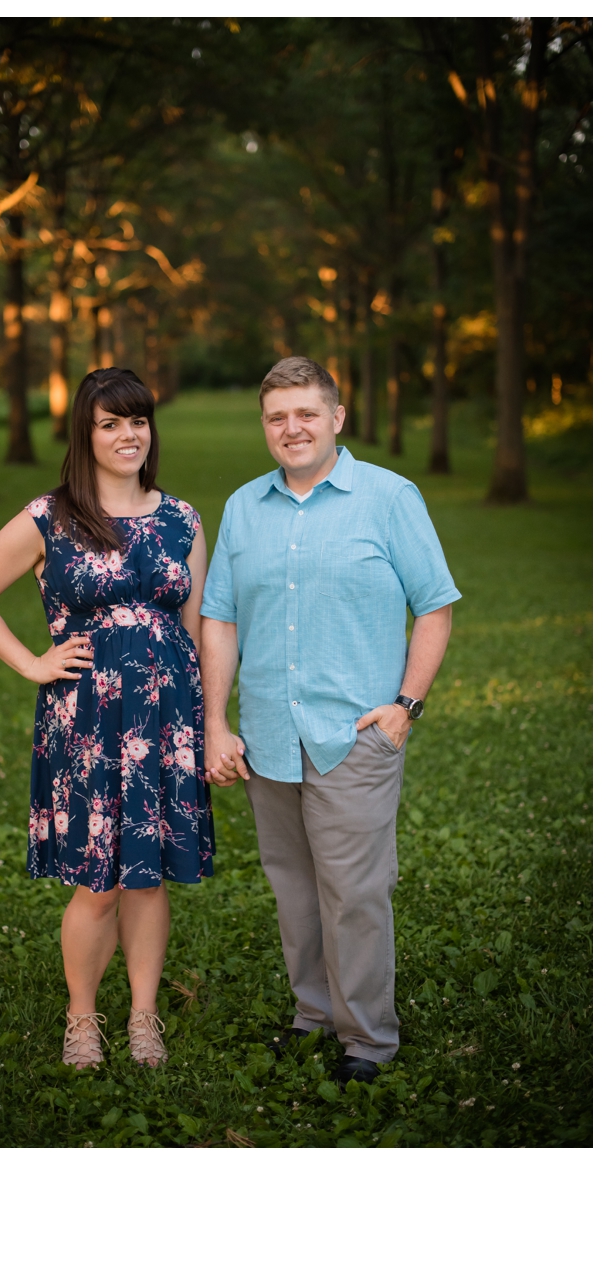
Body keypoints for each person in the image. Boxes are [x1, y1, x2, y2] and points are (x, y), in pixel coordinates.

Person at [200, 355, 457, 1085]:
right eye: (278, 416)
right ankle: (314, 1014)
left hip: (357, 735)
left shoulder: (389, 496)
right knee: (294, 886)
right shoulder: (245, 506)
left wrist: (405, 705)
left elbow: (434, 604)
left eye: (307, 413)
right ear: (265, 426)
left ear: (337, 418)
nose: (292, 428)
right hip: (270, 736)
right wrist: (216, 722)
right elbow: (218, 617)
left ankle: (367, 1041)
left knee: (355, 894)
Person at [0, 367, 215, 1070]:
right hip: (89, 717)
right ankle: (80, 1019)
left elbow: (196, 629)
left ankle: (144, 1016)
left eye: (138, 421)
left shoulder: (182, 518)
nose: (128, 435)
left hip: (166, 717)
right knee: (97, 880)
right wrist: (33, 663)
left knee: (147, 873)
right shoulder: (51, 516)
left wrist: (209, 719)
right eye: (110, 423)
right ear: (86, 434)